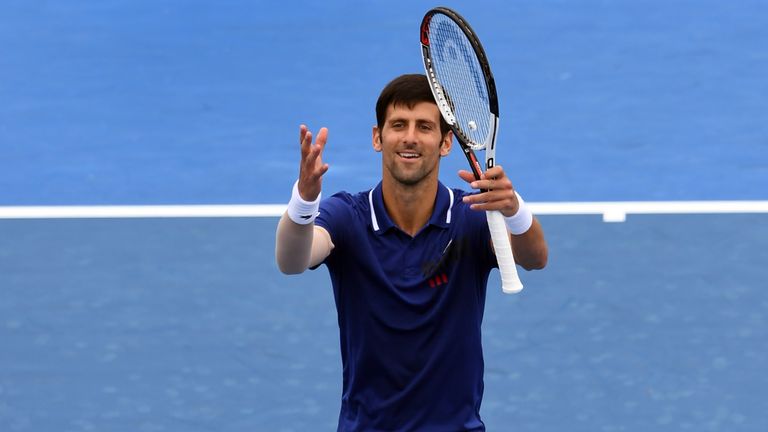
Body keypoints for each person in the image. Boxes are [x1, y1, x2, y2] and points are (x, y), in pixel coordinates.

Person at [275, 74, 547, 431]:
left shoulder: (471, 217)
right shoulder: (348, 217)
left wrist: (514, 210)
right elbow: (292, 260)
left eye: (424, 126)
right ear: (378, 137)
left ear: (445, 142)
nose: (410, 137)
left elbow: (534, 257)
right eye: (398, 125)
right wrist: (304, 201)